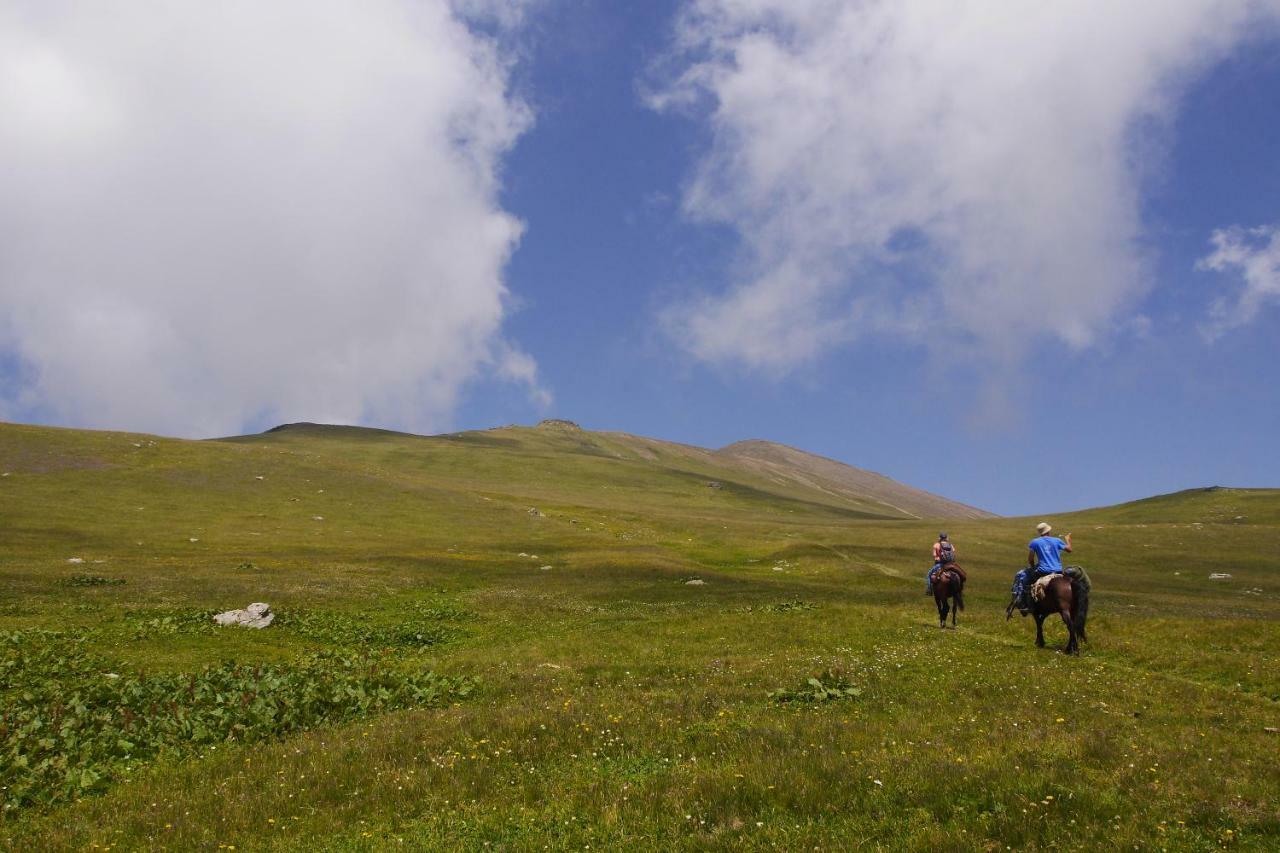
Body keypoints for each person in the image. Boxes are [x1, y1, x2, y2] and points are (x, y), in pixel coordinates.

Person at [1011, 522, 1072, 611]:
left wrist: (1032, 568)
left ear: (1040, 532)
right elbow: (1069, 550)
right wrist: (1068, 540)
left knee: (1026, 580)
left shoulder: (1035, 542)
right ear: (1049, 531)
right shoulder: (1057, 540)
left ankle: (1026, 605)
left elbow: (1031, 559)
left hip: (1043, 571)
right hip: (1058, 570)